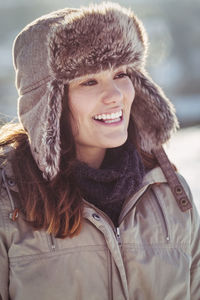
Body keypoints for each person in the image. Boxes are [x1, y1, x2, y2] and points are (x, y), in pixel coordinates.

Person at [0, 2, 199, 300]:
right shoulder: (7, 201)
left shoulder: (168, 192)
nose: (115, 95)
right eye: (89, 81)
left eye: (121, 74)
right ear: (48, 106)